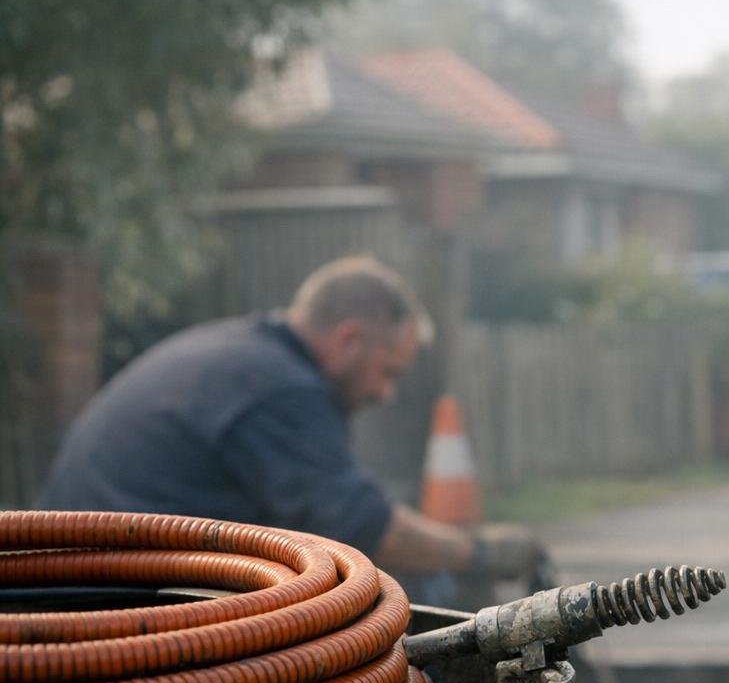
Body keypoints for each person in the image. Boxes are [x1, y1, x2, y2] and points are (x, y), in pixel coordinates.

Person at [38, 256, 543, 597]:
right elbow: (366, 528)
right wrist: (480, 552)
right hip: (107, 603)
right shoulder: (280, 389)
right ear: (348, 339)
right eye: (387, 372)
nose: (385, 394)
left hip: (72, 580)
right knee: (408, 619)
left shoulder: (245, 356)